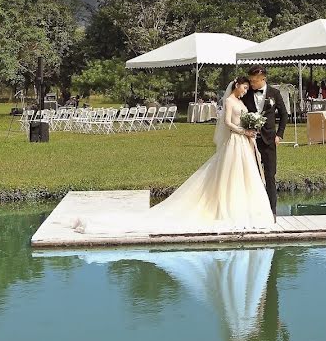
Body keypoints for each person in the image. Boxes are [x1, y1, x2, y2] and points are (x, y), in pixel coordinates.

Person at [62, 75, 275, 233]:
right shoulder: (229, 101)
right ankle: (226, 207)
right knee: (229, 175)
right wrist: (242, 130)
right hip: (235, 141)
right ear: (236, 85)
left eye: (248, 88)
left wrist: (250, 128)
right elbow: (227, 123)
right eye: (244, 87)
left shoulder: (241, 102)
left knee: (245, 177)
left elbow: (242, 118)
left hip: (244, 143)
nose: (245, 90)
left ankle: (246, 208)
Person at [241, 66, 288, 216]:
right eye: (250, 80)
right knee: (252, 174)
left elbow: (284, 114)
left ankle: (272, 210)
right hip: (250, 140)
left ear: (263, 79)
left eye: (254, 81)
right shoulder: (246, 93)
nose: (252, 83)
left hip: (269, 140)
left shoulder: (274, 93)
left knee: (270, 175)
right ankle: (254, 209)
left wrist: (279, 135)